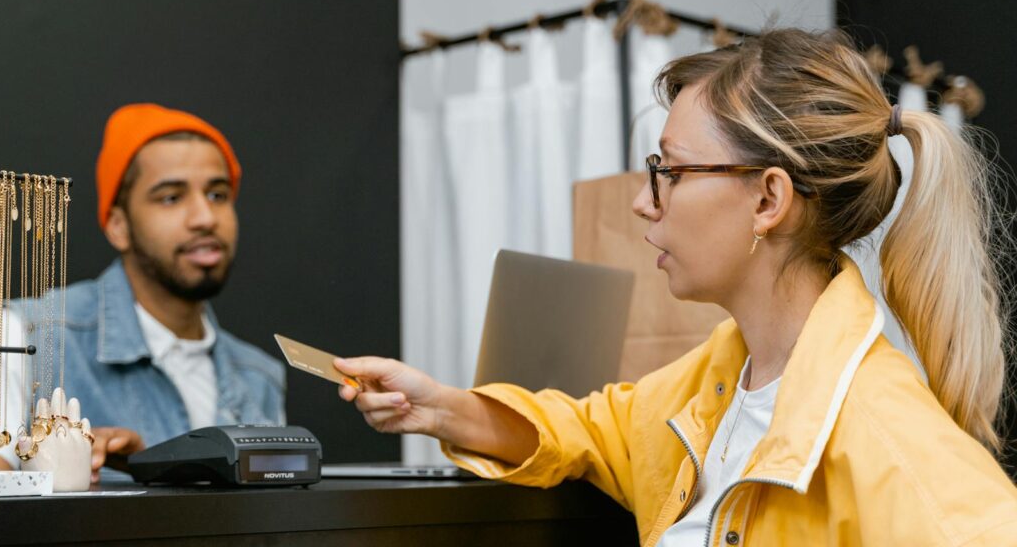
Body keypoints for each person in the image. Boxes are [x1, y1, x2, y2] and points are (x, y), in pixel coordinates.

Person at [336, 29, 1017, 544]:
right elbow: (591, 429)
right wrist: (438, 408)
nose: (643, 201)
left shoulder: (888, 441)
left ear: (768, 200)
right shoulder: (718, 377)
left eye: (672, 172)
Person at [0, 103, 285, 480]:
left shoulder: (259, 377)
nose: (205, 218)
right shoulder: (23, 335)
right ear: (118, 226)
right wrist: (59, 472)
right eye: (171, 197)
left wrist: (153, 471)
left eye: (218, 195)